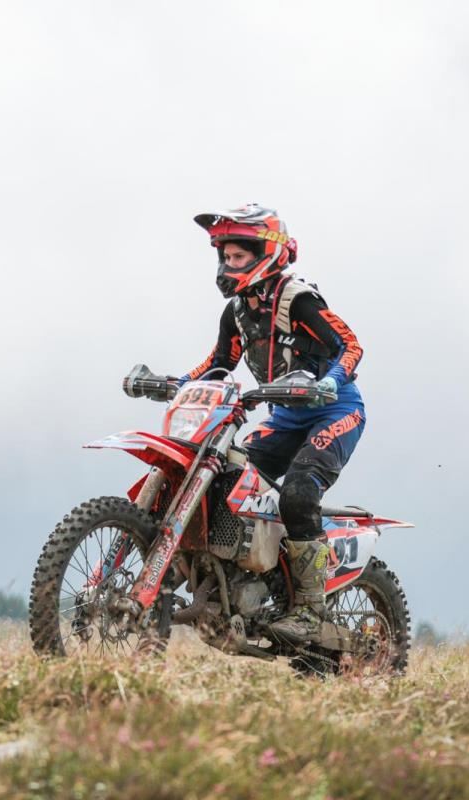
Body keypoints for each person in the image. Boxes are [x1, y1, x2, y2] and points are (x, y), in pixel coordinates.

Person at [179, 203, 366, 644]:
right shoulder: (238, 311)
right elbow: (219, 362)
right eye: (225, 256)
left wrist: (330, 382)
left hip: (334, 411)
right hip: (284, 417)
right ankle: (253, 582)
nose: (228, 264)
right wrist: (177, 382)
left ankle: (310, 611)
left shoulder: (297, 299)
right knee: (228, 480)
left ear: (266, 254)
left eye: (238, 256)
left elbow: (350, 345)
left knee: (298, 492)